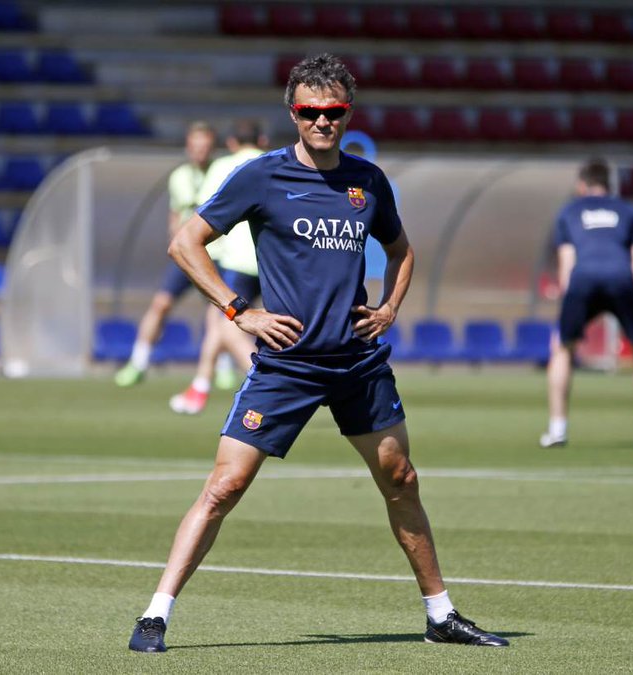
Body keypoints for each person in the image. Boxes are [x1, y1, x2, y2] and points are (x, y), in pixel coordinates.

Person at [128, 53, 508, 652]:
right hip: (287, 366)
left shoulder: (368, 181)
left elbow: (402, 251)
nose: (322, 121)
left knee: (402, 479)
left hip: (357, 363)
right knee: (225, 487)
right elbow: (186, 244)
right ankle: (155, 616)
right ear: (293, 113)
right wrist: (240, 311)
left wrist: (388, 308)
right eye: (310, 111)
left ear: (348, 113)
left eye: (333, 111)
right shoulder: (260, 176)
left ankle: (441, 616)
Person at [540, 158, 633, 449]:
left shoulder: (570, 211)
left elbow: (567, 262)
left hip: (582, 279)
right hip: (621, 277)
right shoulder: (629, 211)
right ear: (609, 185)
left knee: (562, 348)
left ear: (581, 185)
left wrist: (569, 304)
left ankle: (557, 430)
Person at [114, 121, 236, 389]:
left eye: (205, 146)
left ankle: (223, 367)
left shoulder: (222, 172)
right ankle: (138, 362)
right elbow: (175, 214)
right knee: (161, 304)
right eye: (195, 146)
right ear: (188, 147)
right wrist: (175, 241)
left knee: (219, 312)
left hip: (217, 255)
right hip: (189, 254)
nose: (200, 151)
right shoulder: (179, 177)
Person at [169, 119, 268, 415]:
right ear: (262, 141)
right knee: (218, 321)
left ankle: (262, 379)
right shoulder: (273, 162)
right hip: (272, 261)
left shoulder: (223, 166)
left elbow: (206, 211)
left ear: (232, 143)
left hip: (238, 259)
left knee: (227, 323)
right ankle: (200, 387)